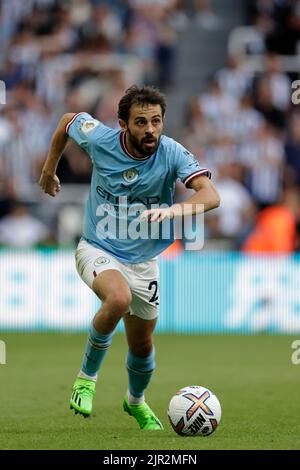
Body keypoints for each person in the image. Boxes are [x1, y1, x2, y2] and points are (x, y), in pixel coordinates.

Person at [38, 85, 220, 430]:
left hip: (144, 262)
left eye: (156, 121)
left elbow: (211, 195)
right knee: (118, 299)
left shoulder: (172, 152)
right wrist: (49, 170)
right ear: (123, 124)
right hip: (97, 248)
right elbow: (66, 121)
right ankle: (85, 380)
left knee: (142, 343)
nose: (150, 129)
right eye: (141, 122)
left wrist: (174, 212)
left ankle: (135, 401)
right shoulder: (100, 140)